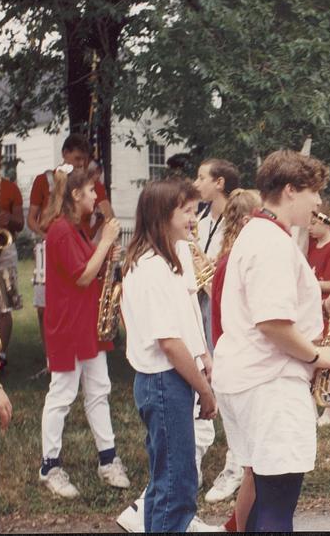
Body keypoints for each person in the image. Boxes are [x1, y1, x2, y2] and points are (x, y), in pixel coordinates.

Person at [211, 149, 330, 532]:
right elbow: (272, 322)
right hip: (270, 384)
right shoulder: (271, 241)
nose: (318, 202)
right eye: (314, 192)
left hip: (250, 378)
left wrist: (325, 303)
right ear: (290, 190)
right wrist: (318, 354)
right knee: (278, 506)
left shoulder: (258, 233)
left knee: (264, 501)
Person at [120, 178, 221, 532]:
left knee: (172, 479)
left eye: (196, 211)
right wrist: (205, 391)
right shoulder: (150, 267)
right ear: (163, 215)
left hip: (176, 376)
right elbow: (168, 342)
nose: (194, 219)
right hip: (164, 380)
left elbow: (188, 313)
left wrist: (204, 355)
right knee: (176, 484)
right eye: (188, 212)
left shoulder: (176, 255)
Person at [37, 164, 130, 499]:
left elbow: (89, 268)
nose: (96, 195)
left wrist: (105, 251)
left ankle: (108, 459)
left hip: (86, 325)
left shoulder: (75, 230)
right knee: (62, 395)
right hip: (68, 327)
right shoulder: (60, 231)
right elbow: (81, 276)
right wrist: (105, 242)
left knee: (98, 391)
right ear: (76, 195)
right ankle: (49, 465)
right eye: (91, 191)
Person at [27, 134, 113, 371]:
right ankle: (49, 358)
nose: (81, 164)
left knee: (98, 385)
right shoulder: (61, 225)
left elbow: (107, 213)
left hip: (81, 246)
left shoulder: (74, 226)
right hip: (62, 253)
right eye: (76, 159)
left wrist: (100, 238)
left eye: (84, 160)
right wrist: (47, 238)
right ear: (64, 154)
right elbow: (82, 277)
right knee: (46, 303)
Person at [209, 188, 263, 532]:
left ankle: (237, 525)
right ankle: (236, 528)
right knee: (255, 468)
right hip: (241, 367)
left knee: (255, 467)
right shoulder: (235, 262)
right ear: (247, 220)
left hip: (234, 363)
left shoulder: (229, 258)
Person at [191, 157, 242, 503]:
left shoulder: (238, 224)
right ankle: (192, 462)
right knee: (203, 385)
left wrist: (211, 271)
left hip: (227, 311)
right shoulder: (199, 220)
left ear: (220, 183)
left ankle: (236, 465)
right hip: (201, 308)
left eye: (201, 177)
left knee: (230, 389)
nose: (196, 183)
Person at [306, 201, 330, 428]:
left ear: (325, 222)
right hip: (313, 311)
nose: (309, 228)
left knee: (329, 359)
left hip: (328, 312)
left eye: (313, 223)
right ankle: (311, 405)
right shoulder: (312, 246)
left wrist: (311, 284)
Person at [0, 143, 25, 370]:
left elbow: (21, 223)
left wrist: (8, 218)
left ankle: (1, 356)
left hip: (4, 249)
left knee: (4, 306)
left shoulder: (10, 189)